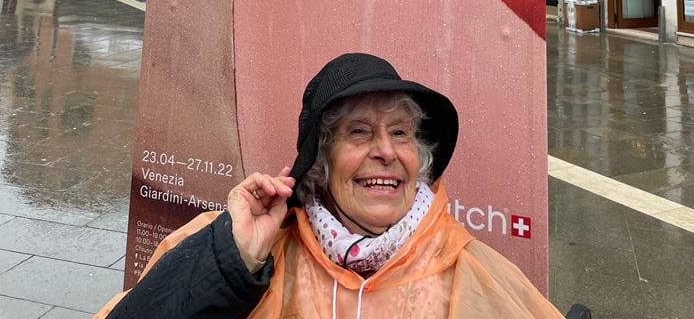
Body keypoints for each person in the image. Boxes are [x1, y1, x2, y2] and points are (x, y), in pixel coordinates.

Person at [94, 54, 565, 318]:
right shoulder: (241, 250)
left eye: (400, 132)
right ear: (320, 159)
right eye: (359, 132)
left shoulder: (473, 270)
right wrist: (229, 261)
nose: (386, 150)